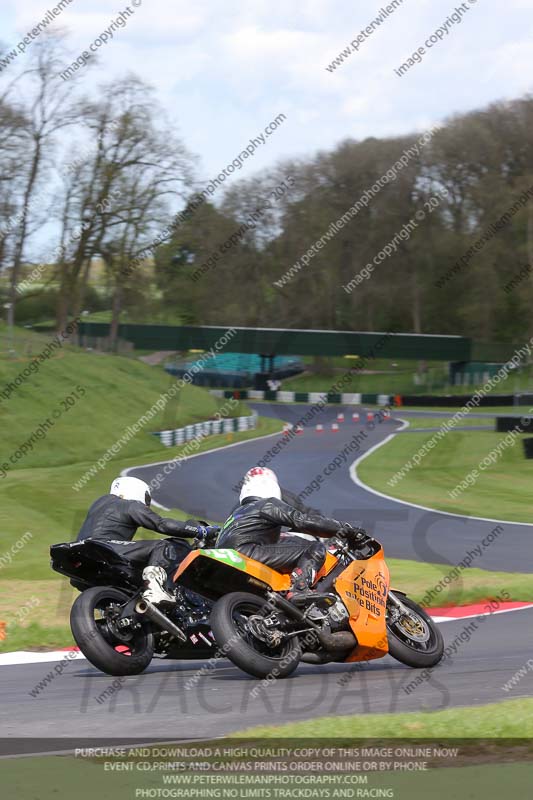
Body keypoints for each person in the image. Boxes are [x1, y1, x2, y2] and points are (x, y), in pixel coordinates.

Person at [217, 466, 366, 597]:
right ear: (272, 488)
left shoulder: (235, 514)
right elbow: (304, 520)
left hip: (224, 561)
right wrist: (346, 529)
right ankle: (299, 589)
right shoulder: (268, 504)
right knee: (314, 548)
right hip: (247, 553)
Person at [76, 476, 214, 605]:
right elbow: (161, 524)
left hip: (83, 556)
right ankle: (155, 590)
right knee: (163, 545)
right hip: (105, 549)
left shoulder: (99, 504)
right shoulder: (128, 505)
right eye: (147, 499)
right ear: (136, 491)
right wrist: (200, 530)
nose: (146, 504)